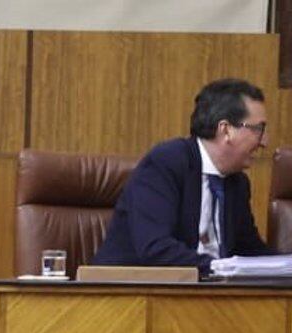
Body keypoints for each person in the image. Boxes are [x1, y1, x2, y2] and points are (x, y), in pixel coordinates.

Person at [93, 78, 275, 275]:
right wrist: (219, 268)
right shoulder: (166, 164)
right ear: (226, 130)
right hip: (131, 295)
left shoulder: (236, 182)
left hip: (206, 295)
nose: (264, 141)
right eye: (258, 129)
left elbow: (248, 249)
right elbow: (156, 249)